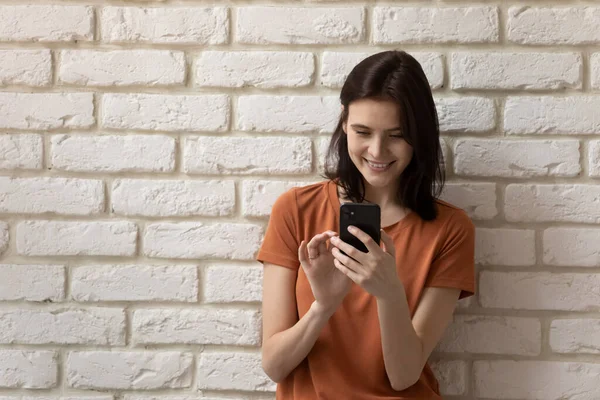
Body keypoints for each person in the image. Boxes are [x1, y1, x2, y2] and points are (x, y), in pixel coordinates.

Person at [257, 50, 475, 399]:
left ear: (419, 136)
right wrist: (323, 306)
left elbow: (404, 376)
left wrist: (389, 291)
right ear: (344, 124)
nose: (377, 150)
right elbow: (275, 365)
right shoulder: (296, 210)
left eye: (396, 135)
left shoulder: (450, 229)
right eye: (363, 131)